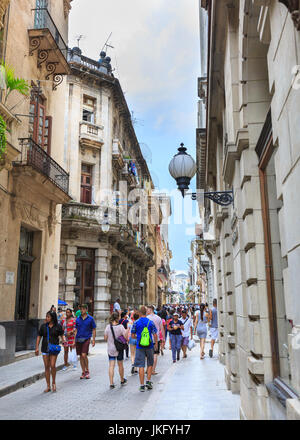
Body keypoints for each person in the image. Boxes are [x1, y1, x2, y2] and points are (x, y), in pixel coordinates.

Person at [35, 310, 65, 392]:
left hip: (54, 349)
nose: (46, 318)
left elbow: (62, 334)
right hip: (45, 349)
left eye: (48, 317)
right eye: (46, 316)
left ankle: (54, 383)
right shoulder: (43, 326)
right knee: (47, 367)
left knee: (52, 365)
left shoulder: (58, 326)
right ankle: (48, 386)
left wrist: (64, 341)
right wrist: (37, 347)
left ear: (52, 318)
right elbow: (39, 336)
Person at [131, 305, 158, 392]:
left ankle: (142, 385)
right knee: (150, 363)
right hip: (149, 345)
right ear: (146, 312)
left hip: (140, 346)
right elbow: (155, 334)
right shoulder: (150, 322)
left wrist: (139, 338)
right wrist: (156, 344)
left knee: (141, 366)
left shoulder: (136, 323)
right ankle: (148, 381)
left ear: (139, 312)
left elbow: (132, 335)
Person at [104, 312, 128, 389]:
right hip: (119, 348)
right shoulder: (121, 327)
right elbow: (126, 337)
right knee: (120, 364)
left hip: (111, 348)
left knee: (111, 365)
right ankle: (122, 380)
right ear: (118, 318)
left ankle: (111, 383)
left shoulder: (108, 327)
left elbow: (105, 338)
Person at [74, 304, 96, 379]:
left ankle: (87, 370)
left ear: (86, 310)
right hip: (78, 339)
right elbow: (76, 330)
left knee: (84, 354)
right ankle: (83, 371)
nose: (82, 310)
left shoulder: (90, 319)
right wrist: (74, 340)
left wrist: (93, 340)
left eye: (83, 309)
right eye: (81, 309)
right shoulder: (77, 319)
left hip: (86, 338)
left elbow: (93, 329)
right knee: (80, 356)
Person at [146, 305, 164, 375]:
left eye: (147, 309)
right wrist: (163, 338)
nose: (147, 311)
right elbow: (162, 329)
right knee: (155, 354)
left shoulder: (147, 318)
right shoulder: (159, 318)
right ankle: (153, 370)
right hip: (157, 339)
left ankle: (148, 369)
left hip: (148, 339)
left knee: (148, 355)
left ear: (151, 309)